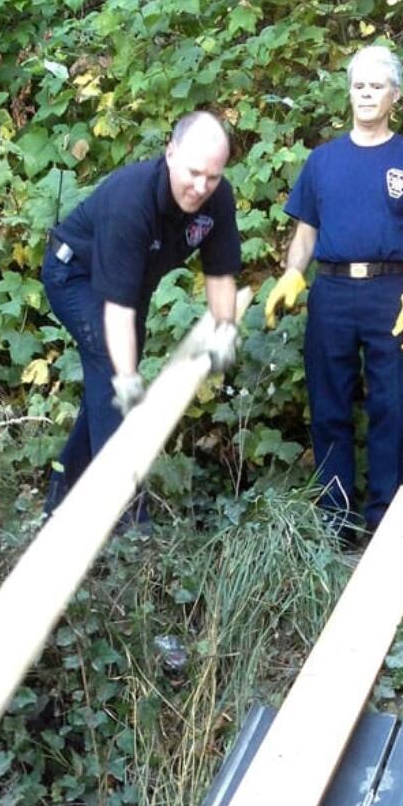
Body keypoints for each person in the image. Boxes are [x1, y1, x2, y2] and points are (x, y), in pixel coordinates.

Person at [264, 46, 403, 543]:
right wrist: (291, 274)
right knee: (329, 405)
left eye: (376, 86)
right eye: (358, 85)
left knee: (391, 406)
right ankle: (336, 517)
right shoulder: (323, 161)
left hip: (391, 292)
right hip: (332, 291)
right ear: (348, 92)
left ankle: (385, 518)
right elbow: (305, 231)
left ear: (395, 94)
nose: (366, 93)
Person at [40, 111, 241, 513]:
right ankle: (128, 523)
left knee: (106, 385)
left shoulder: (217, 199)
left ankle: (61, 498)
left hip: (131, 286)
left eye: (213, 177)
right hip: (75, 274)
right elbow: (115, 311)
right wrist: (129, 381)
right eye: (194, 172)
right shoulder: (132, 201)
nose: (201, 187)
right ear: (170, 153)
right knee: (115, 378)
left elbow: (220, 274)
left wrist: (224, 330)